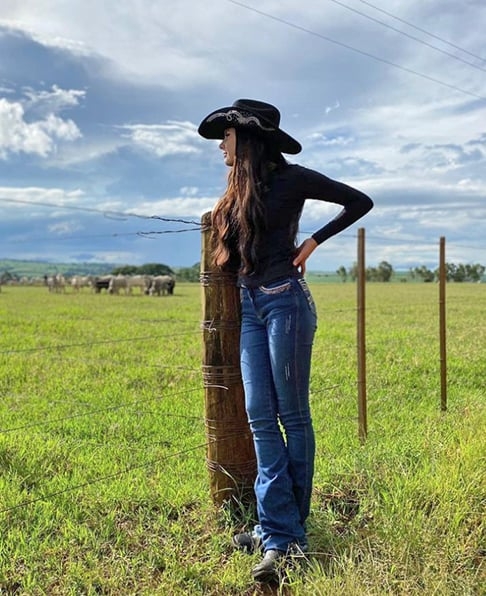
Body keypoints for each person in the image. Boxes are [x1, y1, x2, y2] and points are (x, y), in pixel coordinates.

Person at [198, 99, 373, 582]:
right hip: (252, 309)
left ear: (247, 137)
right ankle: (281, 529)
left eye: (226, 135)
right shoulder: (237, 193)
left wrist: (313, 240)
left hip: (286, 303)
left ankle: (280, 534)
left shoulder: (292, 179)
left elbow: (358, 200)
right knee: (258, 416)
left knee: (291, 417)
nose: (220, 145)